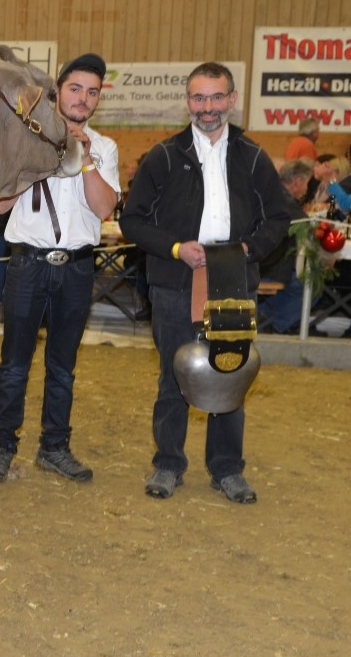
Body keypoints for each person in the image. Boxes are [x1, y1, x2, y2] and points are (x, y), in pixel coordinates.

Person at [119, 61, 291, 504]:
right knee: (172, 374)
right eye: (199, 98)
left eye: (216, 97)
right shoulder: (162, 156)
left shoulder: (253, 158)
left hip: (234, 279)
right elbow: (132, 221)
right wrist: (177, 247)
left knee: (230, 369)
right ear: (188, 101)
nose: (208, 107)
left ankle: (227, 469)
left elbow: (279, 217)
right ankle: (168, 464)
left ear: (232, 100)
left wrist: (250, 249)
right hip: (175, 280)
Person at [0, 53, 120, 484]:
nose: (83, 99)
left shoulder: (105, 146)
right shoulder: (27, 136)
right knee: (14, 363)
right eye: (76, 88)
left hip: (76, 267)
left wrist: (86, 157)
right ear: (59, 91)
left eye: (92, 91)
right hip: (28, 264)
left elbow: (104, 208)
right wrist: (34, 157)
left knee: (63, 365)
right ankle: (1, 447)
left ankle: (54, 447)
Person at [257, 159, 319, 334]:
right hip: (268, 268)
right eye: (307, 184)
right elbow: (307, 231)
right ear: (297, 182)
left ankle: (263, 317)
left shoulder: (270, 192)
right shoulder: (286, 203)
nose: (307, 189)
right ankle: (273, 324)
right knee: (312, 285)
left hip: (260, 263)